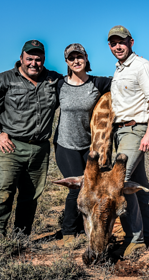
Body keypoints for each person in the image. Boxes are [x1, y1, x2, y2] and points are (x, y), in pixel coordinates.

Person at [0, 40, 62, 237]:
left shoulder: (54, 80)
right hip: (10, 146)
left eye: (38, 59)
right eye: (29, 59)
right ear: (21, 58)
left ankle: (21, 237)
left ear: (44, 59)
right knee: (4, 190)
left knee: (31, 195)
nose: (34, 63)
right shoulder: (4, 79)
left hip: (39, 149)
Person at [107, 25, 149, 257]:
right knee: (140, 186)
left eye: (121, 41)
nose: (117, 46)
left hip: (135, 130)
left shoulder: (142, 66)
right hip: (121, 131)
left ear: (131, 42)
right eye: (113, 43)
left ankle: (136, 239)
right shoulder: (119, 69)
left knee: (119, 182)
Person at [54, 43, 111, 246]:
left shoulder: (99, 83)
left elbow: (124, 86)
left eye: (80, 57)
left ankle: (82, 226)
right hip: (65, 145)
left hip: (89, 147)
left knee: (92, 187)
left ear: (86, 58)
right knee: (77, 187)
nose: (76, 61)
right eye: (71, 58)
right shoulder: (60, 85)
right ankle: (68, 232)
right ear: (67, 62)